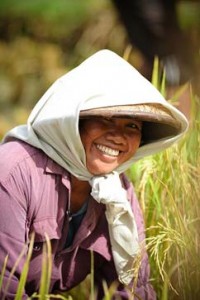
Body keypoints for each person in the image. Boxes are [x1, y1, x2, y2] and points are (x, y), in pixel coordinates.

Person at [0, 49, 188, 299]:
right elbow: (5, 287)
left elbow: (131, 289)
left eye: (132, 126)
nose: (118, 136)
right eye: (106, 119)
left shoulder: (116, 192)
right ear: (72, 122)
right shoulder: (14, 170)